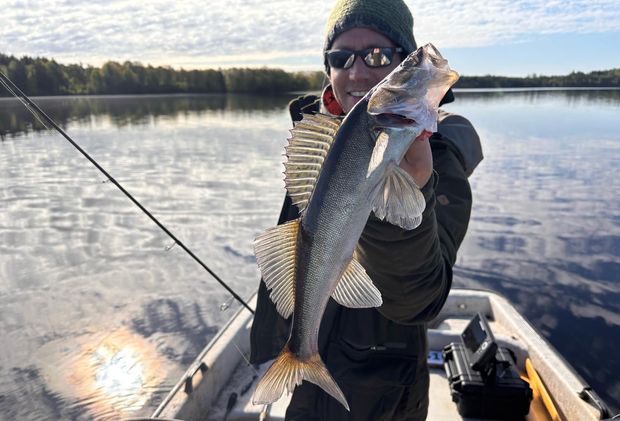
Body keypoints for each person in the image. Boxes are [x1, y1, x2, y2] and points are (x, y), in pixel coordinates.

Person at [250, 0, 483, 419]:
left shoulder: (440, 159)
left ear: (400, 60)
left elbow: (419, 300)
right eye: (341, 58)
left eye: (377, 56)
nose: (356, 73)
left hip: (386, 398)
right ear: (328, 69)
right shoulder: (318, 146)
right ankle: (302, 354)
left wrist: (407, 191)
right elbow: (301, 248)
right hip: (306, 396)